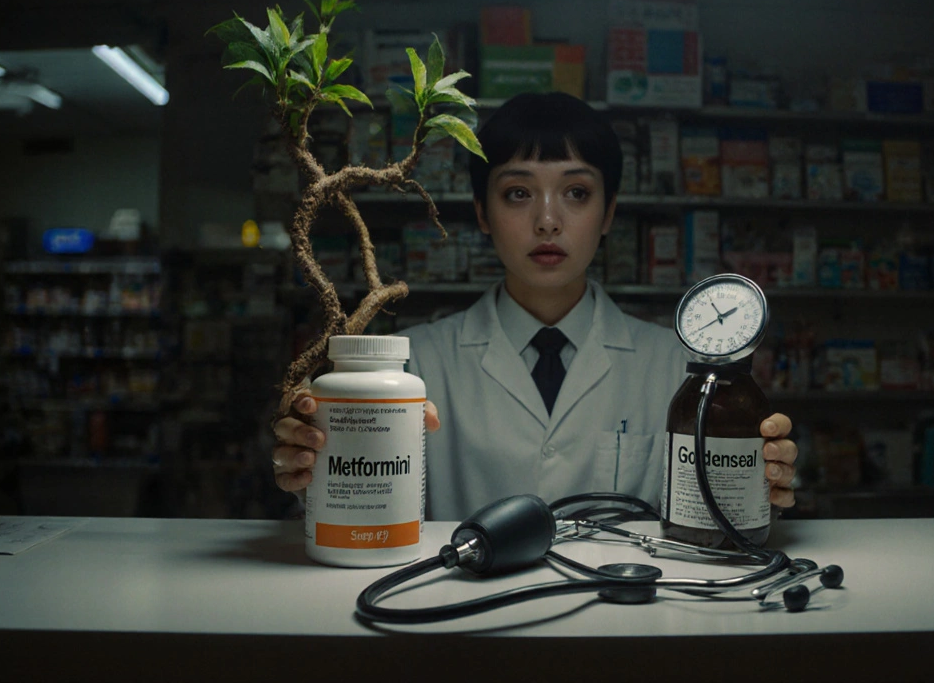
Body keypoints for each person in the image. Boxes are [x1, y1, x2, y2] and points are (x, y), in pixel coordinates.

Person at [272, 92, 798, 521]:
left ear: (609, 211)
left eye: (575, 192)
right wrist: (314, 469)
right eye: (518, 194)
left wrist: (759, 483)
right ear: (482, 212)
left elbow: (712, 523)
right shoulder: (418, 366)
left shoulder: (673, 367)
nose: (548, 221)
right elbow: (362, 513)